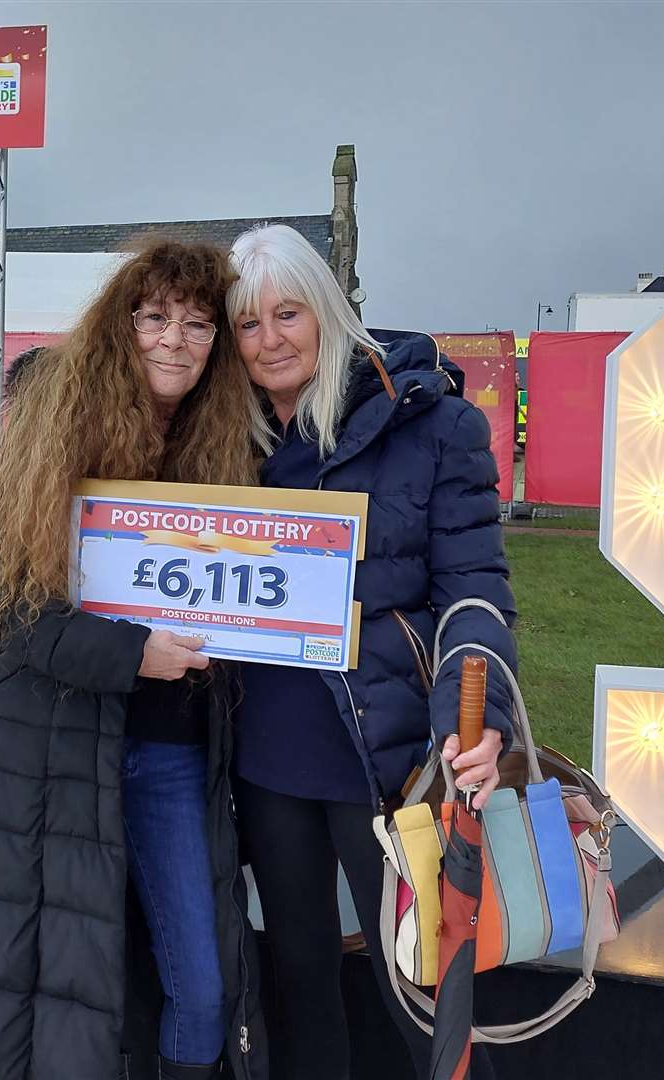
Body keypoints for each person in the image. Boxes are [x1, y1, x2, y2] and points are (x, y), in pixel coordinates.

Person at [0, 240, 268, 1080]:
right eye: (153, 318)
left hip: (174, 754)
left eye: (195, 322)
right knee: (52, 993)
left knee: (202, 989)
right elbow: (2, 598)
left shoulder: (224, 439)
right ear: (121, 323)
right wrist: (132, 653)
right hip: (47, 747)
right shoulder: (52, 415)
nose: (174, 339)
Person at [226, 223, 516, 1079]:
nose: (270, 340)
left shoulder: (432, 425)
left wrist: (478, 713)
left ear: (327, 312)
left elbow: (474, 589)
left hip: (384, 757)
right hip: (267, 759)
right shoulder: (225, 439)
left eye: (288, 314)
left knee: (423, 989)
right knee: (302, 981)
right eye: (247, 324)